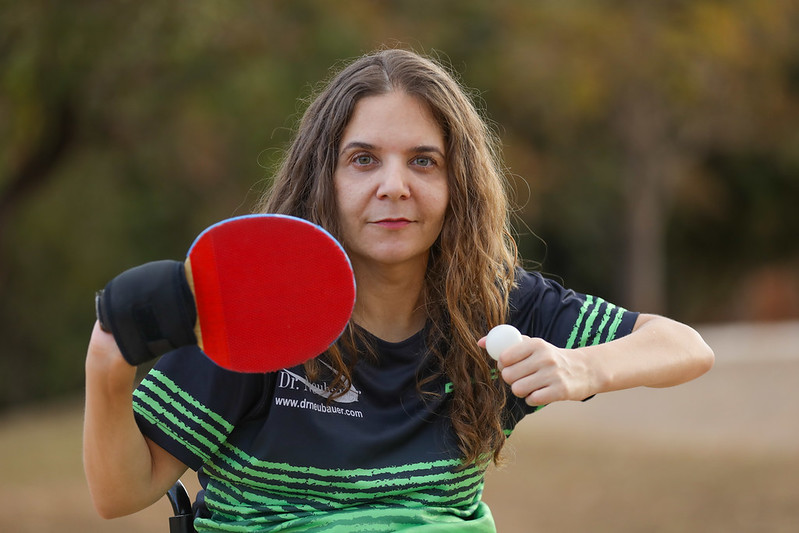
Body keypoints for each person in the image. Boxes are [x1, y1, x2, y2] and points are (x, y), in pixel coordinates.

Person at [83, 48, 714, 532]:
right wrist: (108, 365)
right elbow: (120, 492)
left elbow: (683, 346)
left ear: (456, 184)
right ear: (322, 178)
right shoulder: (254, 310)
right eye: (363, 160)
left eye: (422, 160)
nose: (394, 186)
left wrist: (583, 366)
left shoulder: (496, 307)